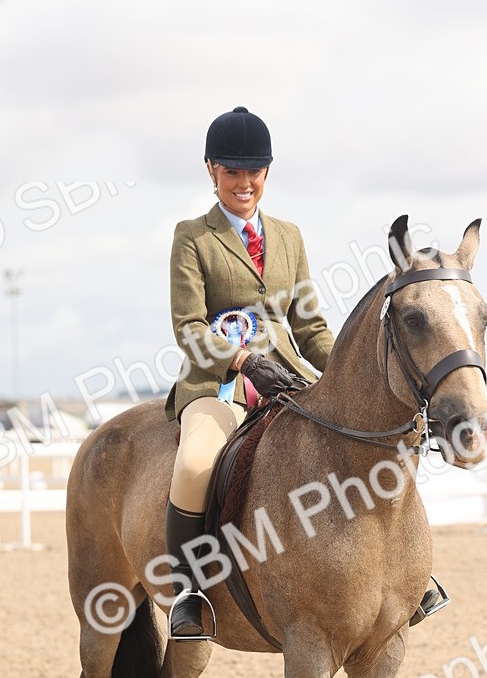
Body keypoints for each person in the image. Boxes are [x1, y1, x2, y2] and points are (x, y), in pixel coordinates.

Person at [164, 105, 446, 639]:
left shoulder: (288, 237)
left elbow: (310, 324)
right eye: (232, 172)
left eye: (254, 172)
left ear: (266, 173)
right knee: (195, 463)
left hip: (288, 377)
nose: (243, 183)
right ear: (211, 171)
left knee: (368, 443)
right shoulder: (192, 237)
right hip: (218, 382)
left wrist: (345, 372)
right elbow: (189, 326)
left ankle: (409, 577)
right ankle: (189, 592)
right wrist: (244, 360)